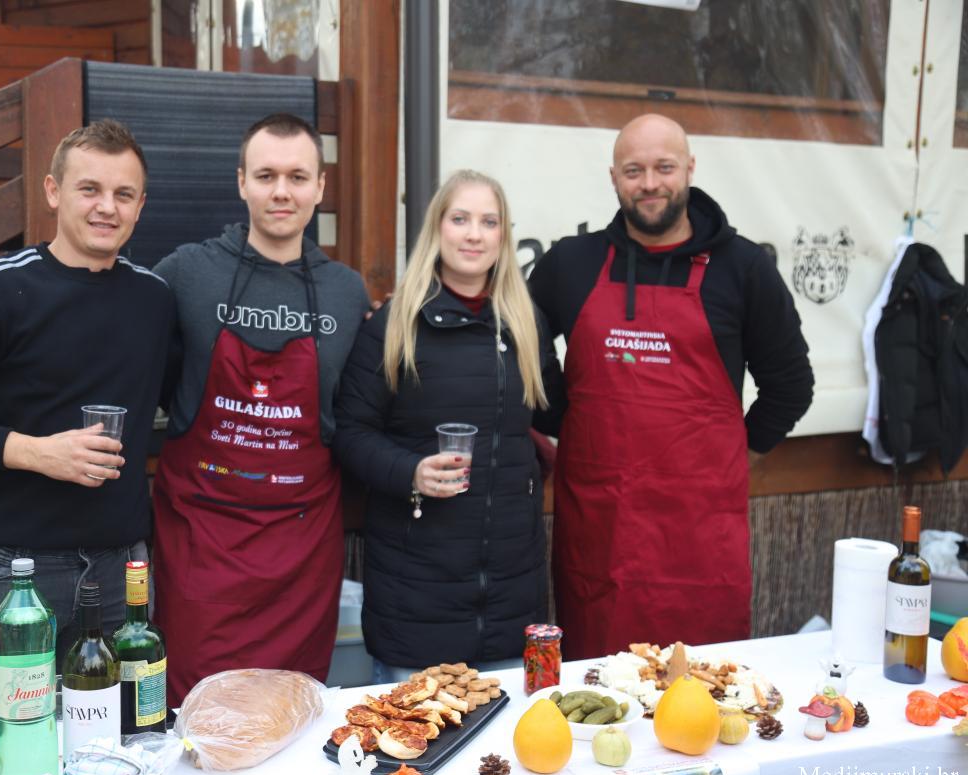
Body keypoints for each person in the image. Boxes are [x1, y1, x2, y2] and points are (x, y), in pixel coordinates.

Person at [0, 120, 176, 697]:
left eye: (123, 194)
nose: (107, 207)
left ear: (141, 205)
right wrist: (36, 452)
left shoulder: (154, 299)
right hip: (10, 569)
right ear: (53, 191)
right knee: (9, 737)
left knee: (119, 734)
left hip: (120, 566)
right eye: (89, 189)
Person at [528, 113, 814, 659]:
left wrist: (735, 458)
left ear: (689, 169)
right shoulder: (572, 262)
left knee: (700, 690)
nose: (650, 184)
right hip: (600, 536)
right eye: (634, 170)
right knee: (600, 690)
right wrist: (567, 420)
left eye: (664, 167)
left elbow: (791, 385)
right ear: (614, 177)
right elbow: (517, 344)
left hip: (700, 541)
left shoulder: (743, 267)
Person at [151, 112, 370, 703]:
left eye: (297, 177)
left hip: (302, 552)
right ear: (242, 182)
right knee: (199, 716)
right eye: (266, 175)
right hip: (203, 541)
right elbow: (137, 370)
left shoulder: (346, 292)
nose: (281, 192)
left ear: (320, 188)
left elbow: (357, 411)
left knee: (290, 715)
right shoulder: (185, 274)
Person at [333, 170, 564, 681]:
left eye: (489, 222)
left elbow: (558, 411)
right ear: (437, 229)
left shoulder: (525, 324)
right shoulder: (395, 324)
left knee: (513, 731)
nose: (474, 234)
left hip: (512, 598)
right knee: (417, 730)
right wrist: (410, 472)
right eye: (460, 219)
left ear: (504, 236)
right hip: (416, 598)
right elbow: (350, 432)